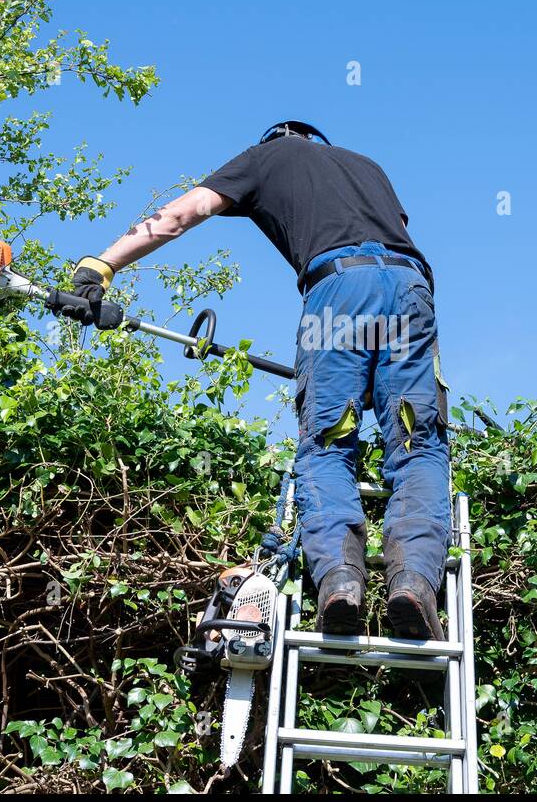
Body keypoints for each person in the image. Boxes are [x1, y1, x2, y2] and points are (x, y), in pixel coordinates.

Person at [65, 121, 451, 639]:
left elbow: (181, 215)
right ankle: (414, 583)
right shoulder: (368, 168)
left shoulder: (268, 156)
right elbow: (390, 234)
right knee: (416, 442)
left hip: (337, 291)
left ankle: (339, 581)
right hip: (410, 288)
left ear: (279, 139)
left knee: (328, 444)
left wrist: (101, 265)